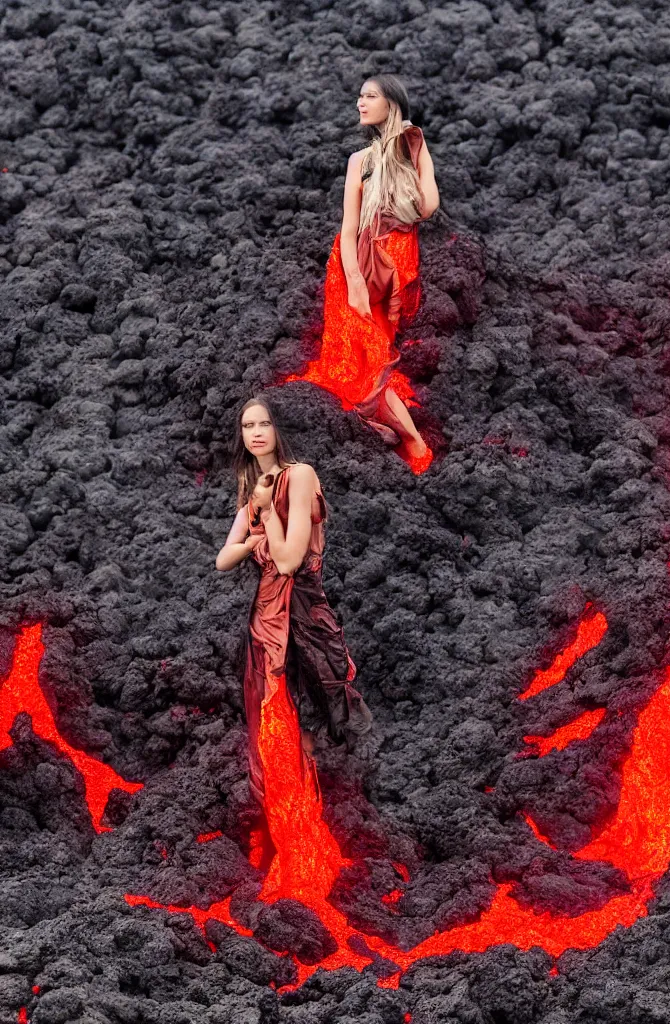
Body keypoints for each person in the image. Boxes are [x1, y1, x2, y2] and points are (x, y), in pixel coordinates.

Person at [216, 395, 372, 804]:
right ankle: (288, 808)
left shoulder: (299, 475)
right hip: (266, 622)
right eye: (247, 427)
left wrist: (266, 516)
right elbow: (222, 559)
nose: (255, 433)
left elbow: (288, 562)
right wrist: (253, 537)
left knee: (325, 700)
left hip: (304, 613)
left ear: (279, 428)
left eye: (263, 424)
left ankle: (337, 799)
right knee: (277, 715)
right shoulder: (253, 490)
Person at [285, 74, 439, 468]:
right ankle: (416, 444)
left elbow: (427, 208)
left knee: (374, 357)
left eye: (369, 96)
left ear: (392, 104)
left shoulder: (413, 148)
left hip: (395, 268)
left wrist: (407, 161)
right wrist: (354, 281)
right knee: (363, 358)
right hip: (356, 265)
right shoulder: (360, 161)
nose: (360, 102)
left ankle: (378, 426)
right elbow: (349, 228)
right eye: (359, 96)